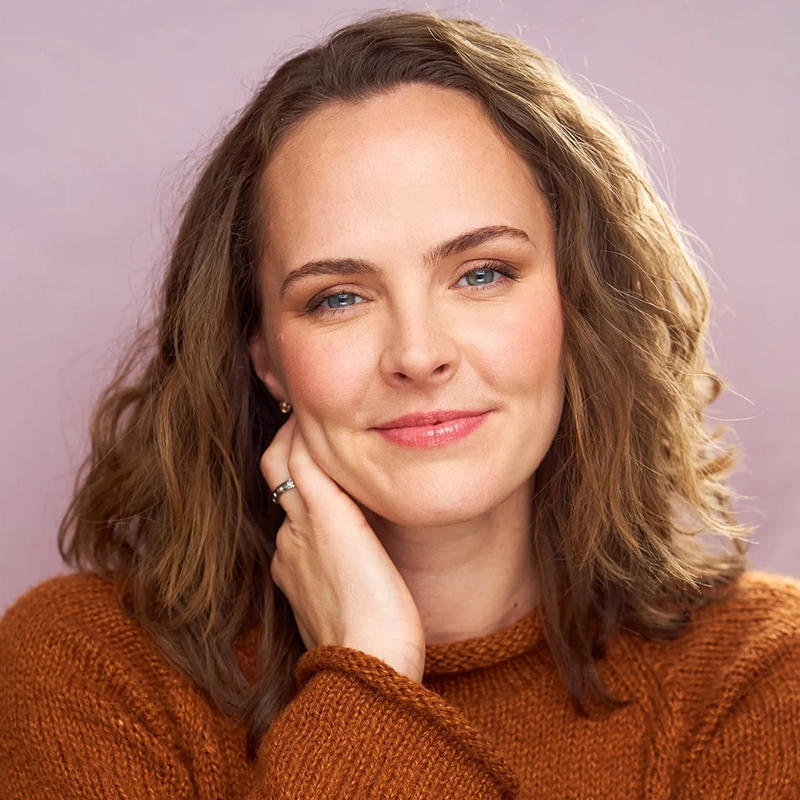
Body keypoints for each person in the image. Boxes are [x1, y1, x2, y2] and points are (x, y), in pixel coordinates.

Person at [1, 9, 798, 799]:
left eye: (482, 273)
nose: (418, 355)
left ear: (579, 305)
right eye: (339, 297)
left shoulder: (761, 675)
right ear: (265, 358)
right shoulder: (89, 668)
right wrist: (368, 668)